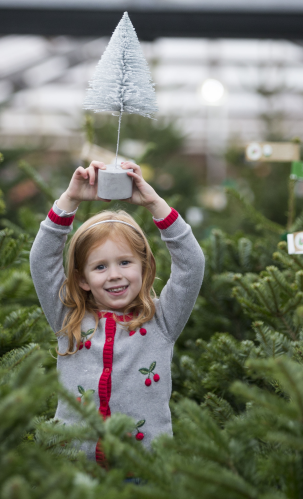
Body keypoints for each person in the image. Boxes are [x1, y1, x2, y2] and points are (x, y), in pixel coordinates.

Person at [30, 160, 205, 464]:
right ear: (82, 278)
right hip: (73, 467)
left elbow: (192, 265)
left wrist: (154, 203)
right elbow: (42, 259)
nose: (114, 275)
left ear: (144, 267)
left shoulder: (161, 322)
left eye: (125, 262)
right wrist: (70, 199)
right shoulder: (67, 317)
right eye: (100, 266)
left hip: (144, 468)